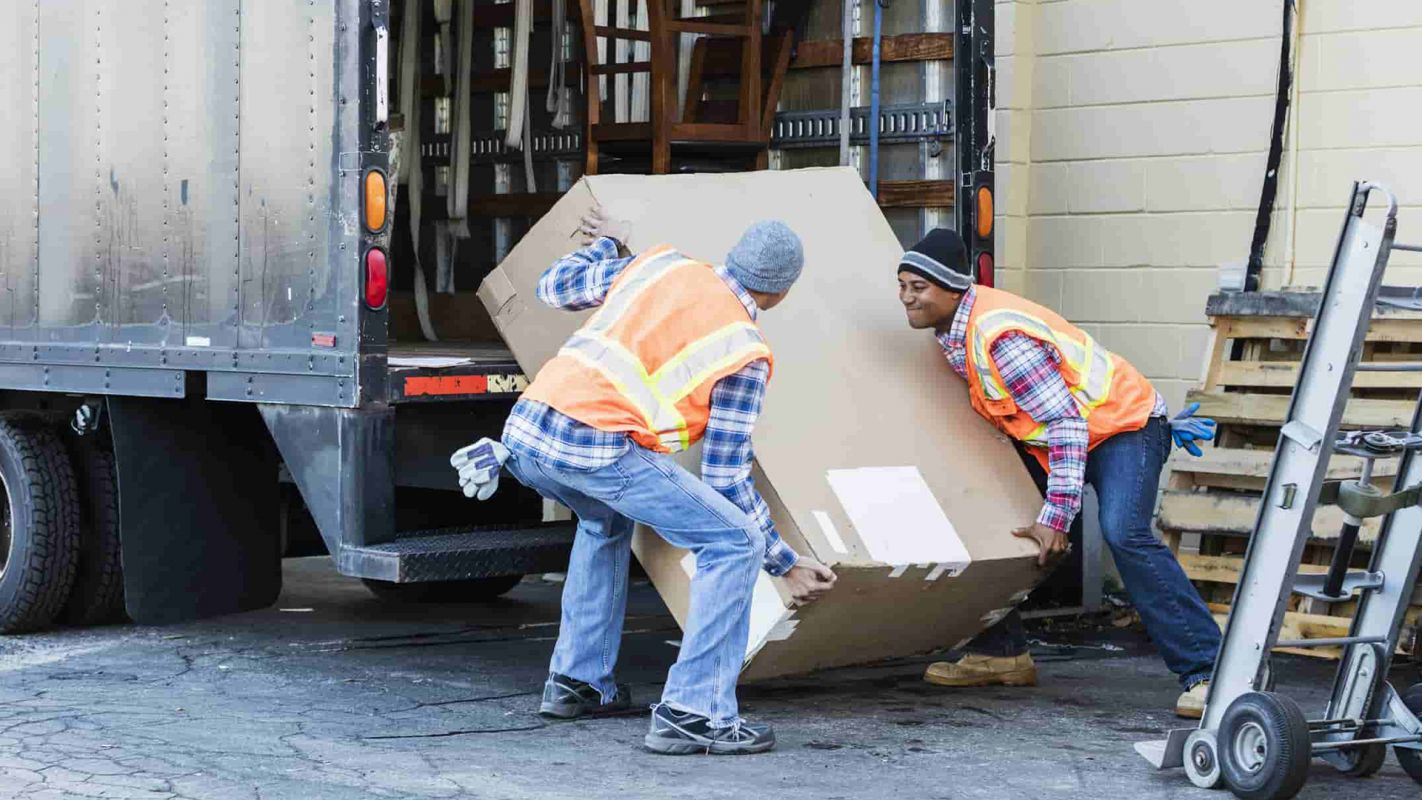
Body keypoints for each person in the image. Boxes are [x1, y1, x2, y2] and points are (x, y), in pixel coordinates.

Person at [453, 207, 837, 754]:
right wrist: (784, 560)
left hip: (529, 432)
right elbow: (725, 476)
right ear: (781, 293)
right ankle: (694, 713)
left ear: (731, 258)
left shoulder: (658, 265)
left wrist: (606, 245)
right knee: (736, 542)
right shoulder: (745, 349)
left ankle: (579, 683)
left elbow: (553, 286)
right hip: (595, 449)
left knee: (602, 518)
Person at [895, 228, 1221, 719]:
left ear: (951, 288)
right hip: (1065, 439)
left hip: (1122, 430)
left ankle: (1211, 672)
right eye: (901, 286)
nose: (905, 298)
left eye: (917, 287)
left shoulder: (998, 337)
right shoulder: (952, 331)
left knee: (1124, 532)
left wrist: (1057, 515)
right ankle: (999, 652)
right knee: (983, 507)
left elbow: (1067, 424)